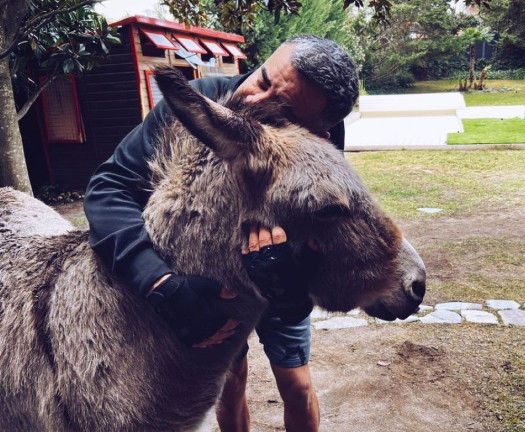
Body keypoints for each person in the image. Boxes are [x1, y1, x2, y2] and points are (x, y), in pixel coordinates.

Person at [83, 34, 359, 432]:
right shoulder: (196, 105)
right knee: (229, 383)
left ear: (322, 133)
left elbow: (326, 227)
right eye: (262, 80)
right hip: (209, 289)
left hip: (276, 276)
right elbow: (110, 186)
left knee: (297, 384)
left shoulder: (322, 144)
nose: (252, 102)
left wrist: (293, 285)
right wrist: (159, 281)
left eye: (281, 109)